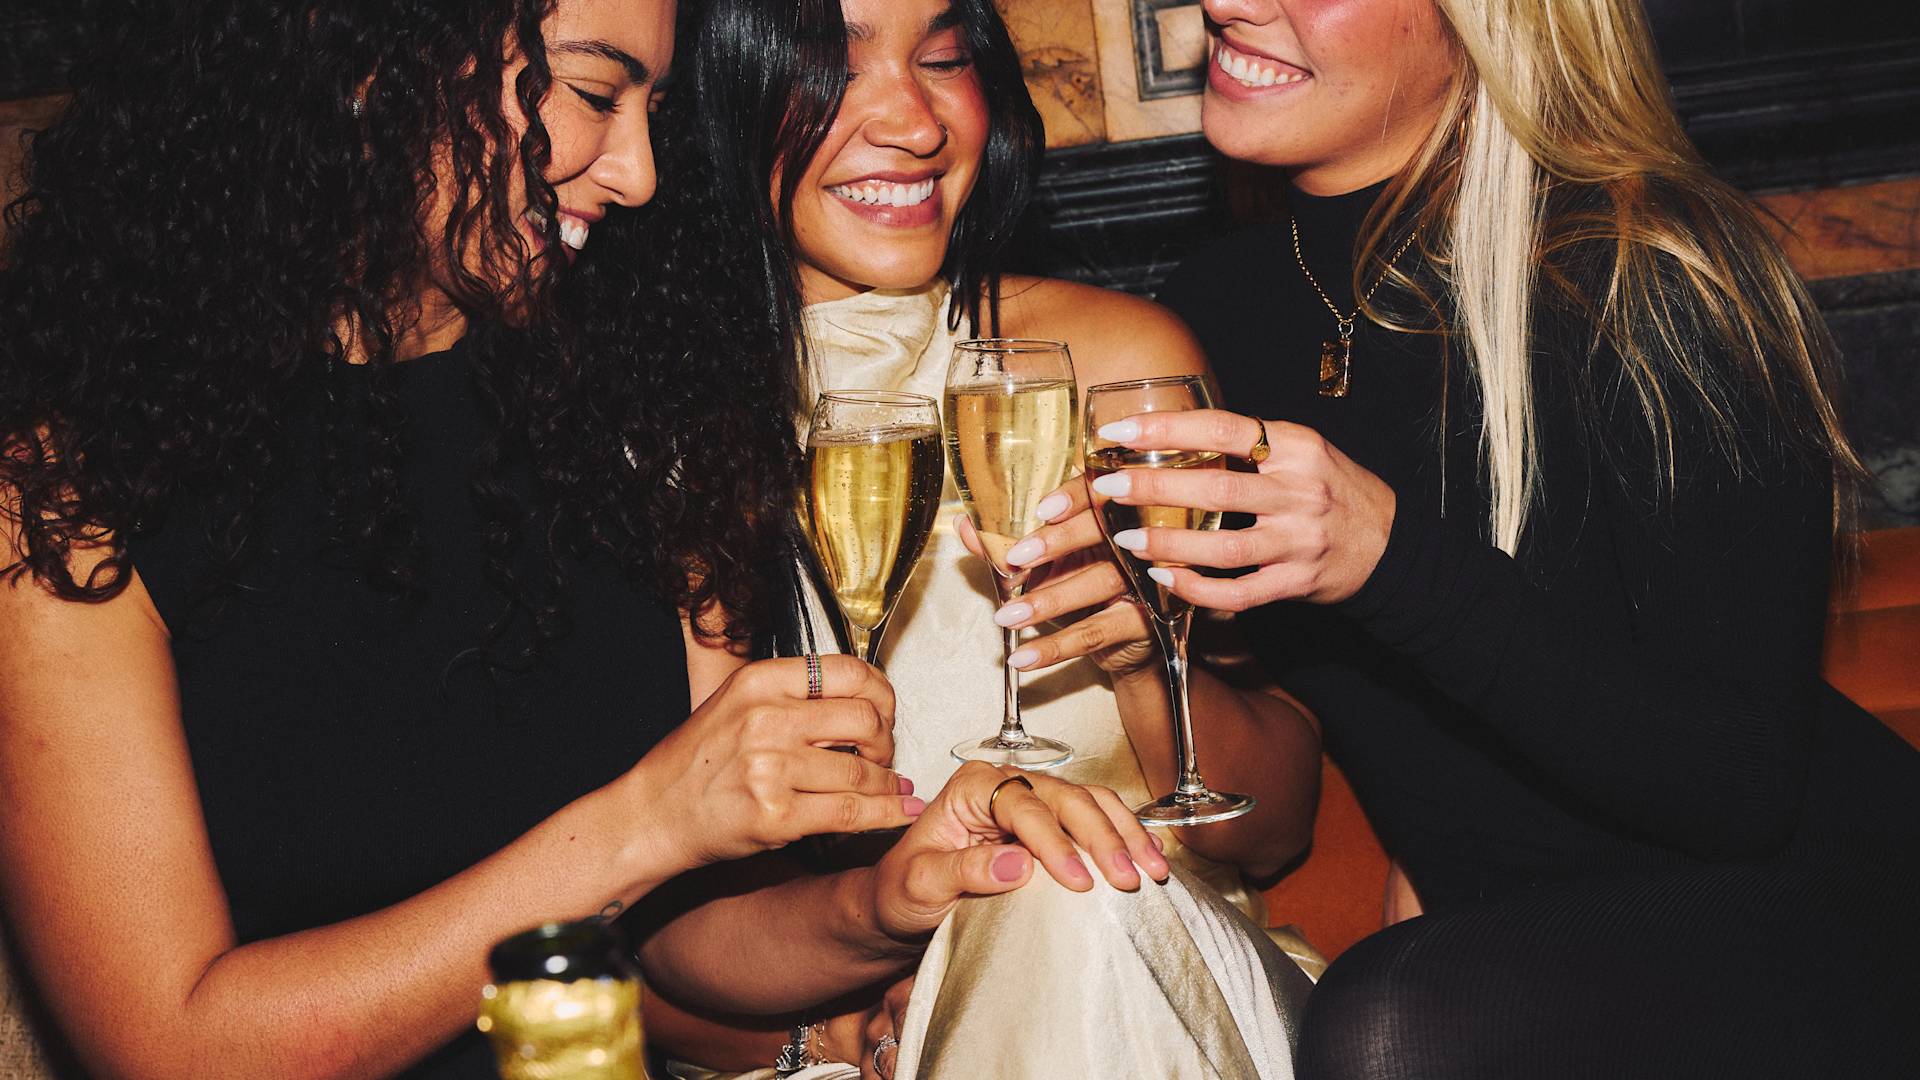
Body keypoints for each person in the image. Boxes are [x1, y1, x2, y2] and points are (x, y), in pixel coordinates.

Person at [0, 1, 1148, 1075]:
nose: (639, 174)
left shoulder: (628, 403)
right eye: (595, 96)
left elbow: (671, 949)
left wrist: (883, 907)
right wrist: (636, 827)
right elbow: (171, 1044)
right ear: (378, 68)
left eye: (653, 111)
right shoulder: (69, 493)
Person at [1012, 0, 1920, 1075]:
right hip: (1519, 947)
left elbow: (1740, 788)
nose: (1231, 2)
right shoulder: (1223, 304)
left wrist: (1391, 559)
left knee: (1388, 1025)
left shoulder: (1652, 268)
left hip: (1822, 922)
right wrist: (1142, 645)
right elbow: (1311, 719)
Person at [627, 0, 1320, 1076]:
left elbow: (1275, 828)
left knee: (1066, 886)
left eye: (944, 58)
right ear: (724, 93)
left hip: (1165, 996)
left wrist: (1142, 663)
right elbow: (667, 943)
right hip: (862, 1040)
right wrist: (890, 924)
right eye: (832, 65)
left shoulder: (1116, 363)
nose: (912, 119)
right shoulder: (660, 431)